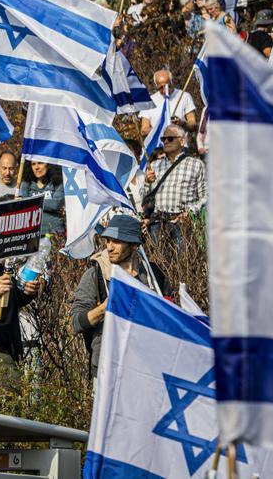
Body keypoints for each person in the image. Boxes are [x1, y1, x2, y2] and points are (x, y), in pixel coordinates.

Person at [69, 213, 167, 376]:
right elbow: (76, 323)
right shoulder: (95, 275)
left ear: (134, 245)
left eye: (117, 241)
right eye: (108, 240)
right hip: (108, 369)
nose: (109, 247)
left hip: (148, 368)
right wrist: (104, 308)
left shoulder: (153, 275)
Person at [140, 124, 206, 253]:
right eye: (163, 138)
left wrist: (189, 213)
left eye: (170, 138)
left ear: (182, 141)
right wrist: (147, 182)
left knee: (184, 267)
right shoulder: (155, 165)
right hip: (158, 224)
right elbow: (144, 198)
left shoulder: (195, 164)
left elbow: (206, 196)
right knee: (160, 267)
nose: (165, 141)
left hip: (183, 223)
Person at [139, 70, 197, 136]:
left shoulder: (184, 96)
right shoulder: (149, 101)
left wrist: (182, 123)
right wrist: (162, 128)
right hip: (158, 145)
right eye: (161, 88)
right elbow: (144, 130)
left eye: (168, 86)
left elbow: (193, 125)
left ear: (171, 82)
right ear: (156, 86)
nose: (165, 90)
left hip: (179, 144)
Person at [19, 161, 65, 236]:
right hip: (32, 233)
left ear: (49, 164)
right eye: (33, 164)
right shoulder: (26, 183)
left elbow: (55, 204)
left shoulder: (57, 183)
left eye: (40, 163)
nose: (36, 167)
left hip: (55, 232)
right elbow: (24, 206)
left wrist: (31, 201)